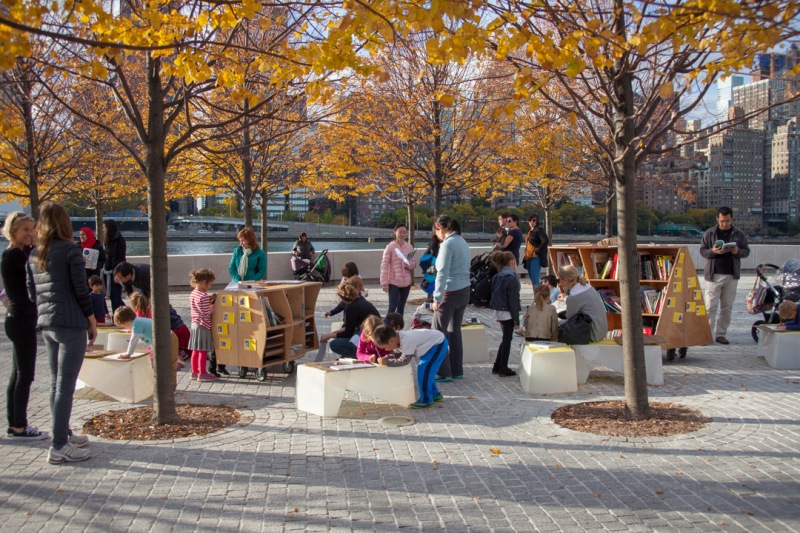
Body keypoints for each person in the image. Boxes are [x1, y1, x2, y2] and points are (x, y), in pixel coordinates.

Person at [27, 202, 96, 464]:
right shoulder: (70, 250)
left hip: (47, 324)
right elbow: (81, 290)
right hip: (70, 323)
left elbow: (32, 292)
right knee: (66, 387)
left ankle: (63, 433)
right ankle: (58, 445)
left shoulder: (35, 254)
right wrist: (91, 320)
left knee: (57, 383)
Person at [1, 212, 47, 440]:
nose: (30, 234)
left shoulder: (16, 254)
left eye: (32, 229)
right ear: (13, 232)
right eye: (25, 230)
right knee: (25, 375)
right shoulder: (16, 256)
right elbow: (39, 271)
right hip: (21, 320)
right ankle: (18, 426)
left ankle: (16, 424)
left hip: (17, 319)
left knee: (18, 375)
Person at [113, 261, 191, 358]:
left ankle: (181, 349)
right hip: (145, 293)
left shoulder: (145, 272)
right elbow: (129, 292)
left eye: (121, 278)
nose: (120, 280)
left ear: (128, 275)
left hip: (157, 293)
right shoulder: (126, 279)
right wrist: (135, 304)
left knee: (167, 315)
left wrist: (152, 304)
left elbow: (157, 289)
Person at [699, 206, 750, 344]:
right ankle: (707, 334)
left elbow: (746, 251)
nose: (724, 224)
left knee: (726, 307)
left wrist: (737, 251)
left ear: (731, 219)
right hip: (713, 274)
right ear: (717, 219)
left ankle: (721, 334)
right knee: (710, 306)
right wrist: (713, 251)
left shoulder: (739, 234)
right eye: (722, 221)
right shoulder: (710, 233)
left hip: (731, 275)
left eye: (727, 221)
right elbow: (703, 251)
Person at [431, 215, 471, 382]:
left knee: (437, 331)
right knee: (455, 332)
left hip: (450, 292)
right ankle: (456, 370)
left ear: (439, 228)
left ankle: (443, 371)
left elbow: (442, 273)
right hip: (464, 290)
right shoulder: (462, 241)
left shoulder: (448, 244)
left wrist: (436, 297)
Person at [372, 324, 449, 409]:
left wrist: (386, 362)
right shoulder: (397, 339)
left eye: (386, 347)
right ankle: (434, 394)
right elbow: (397, 355)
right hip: (431, 345)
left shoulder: (407, 340)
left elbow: (404, 360)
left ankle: (426, 400)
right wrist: (386, 358)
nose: (387, 350)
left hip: (438, 344)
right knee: (426, 371)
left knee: (424, 369)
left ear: (391, 341)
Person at [113, 306, 180, 387]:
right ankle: (162, 386)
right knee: (161, 365)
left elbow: (134, 339)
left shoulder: (137, 323)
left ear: (125, 322)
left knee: (169, 364)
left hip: (169, 339)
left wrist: (128, 353)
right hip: (162, 342)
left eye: (122, 326)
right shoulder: (138, 321)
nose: (125, 328)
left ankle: (171, 387)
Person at [320, 283, 380, 358]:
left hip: (371, 337)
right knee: (343, 338)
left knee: (334, 344)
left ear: (341, 297)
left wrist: (329, 336)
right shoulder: (360, 299)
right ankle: (348, 355)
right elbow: (349, 327)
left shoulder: (351, 307)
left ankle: (359, 354)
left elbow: (348, 333)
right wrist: (329, 335)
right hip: (372, 333)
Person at [489, 251, 521, 377]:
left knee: (505, 338)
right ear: (512, 262)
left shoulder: (499, 275)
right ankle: (503, 368)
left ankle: (498, 365)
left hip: (499, 310)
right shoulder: (511, 277)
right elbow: (513, 300)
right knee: (507, 340)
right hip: (507, 312)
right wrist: (516, 319)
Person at [557, 264, 608, 343]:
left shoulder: (574, 296)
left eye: (559, 280)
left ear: (565, 280)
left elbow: (569, 320)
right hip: (602, 330)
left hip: (591, 334)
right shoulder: (588, 287)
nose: (559, 283)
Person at [188, 269, 217, 382]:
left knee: (195, 350)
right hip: (203, 325)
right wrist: (213, 305)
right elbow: (206, 312)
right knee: (203, 351)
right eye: (210, 284)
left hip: (195, 324)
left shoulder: (193, 293)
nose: (209, 287)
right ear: (204, 282)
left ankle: (194, 372)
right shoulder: (203, 296)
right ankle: (203, 373)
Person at [380, 223, 416, 315]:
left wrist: (407, 264)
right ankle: (387, 327)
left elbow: (413, 264)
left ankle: (398, 328)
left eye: (405, 232)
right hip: (393, 282)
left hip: (406, 282)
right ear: (395, 232)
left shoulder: (409, 247)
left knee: (401, 307)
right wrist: (384, 283)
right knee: (392, 307)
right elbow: (384, 265)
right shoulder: (390, 247)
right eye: (400, 232)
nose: (403, 234)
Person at [102, 219, 126, 312]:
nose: (103, 230)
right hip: (108, 272)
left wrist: (117, 273)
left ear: (109, 228)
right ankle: (117, 316)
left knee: (116, 297)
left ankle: (125, 314)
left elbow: (120, 257)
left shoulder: (119, 240)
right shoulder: (108, 241)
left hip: (115, 272)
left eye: (104, 228)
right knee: (112, 297)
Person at [523, 214, 549, 286]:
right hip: (528, 256)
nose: (532, 222)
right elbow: (528, 244)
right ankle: (538, 294)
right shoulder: (529, 231)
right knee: (532, 278)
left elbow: (545, 240)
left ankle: (538, 296)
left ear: (537, 221)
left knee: (535, 279)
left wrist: (537, 252)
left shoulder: (539, 230)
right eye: (530, 220)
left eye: (534, 220)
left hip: (535, 257)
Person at [419, 230, 441, 303]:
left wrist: (429, 271)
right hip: (438, 277)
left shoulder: (432, 244)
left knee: (431, 301)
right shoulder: (435, 245)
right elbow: (423, 262)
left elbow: (422, 262)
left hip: (433, 277)